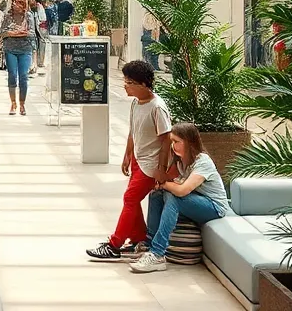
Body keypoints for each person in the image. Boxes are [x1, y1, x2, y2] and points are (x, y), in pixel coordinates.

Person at [87, 60, 173, 262]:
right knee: (131, 200)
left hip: (150, 165)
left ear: (143, 84)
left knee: (130, 199)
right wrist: (127, 155)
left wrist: (162, 169)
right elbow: (133, 132)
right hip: (137, 160)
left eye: (130, 82)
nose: (125, 86)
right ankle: (139, 240)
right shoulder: (136, 103)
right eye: (125, 81)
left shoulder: (157, 107)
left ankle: (114, 244)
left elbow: (166, 139)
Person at [130, 123, 230, 273]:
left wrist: (164, 184)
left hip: (214, 207)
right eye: (172, 141)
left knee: (174, 198)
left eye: (177, 141)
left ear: (189, 142)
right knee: (156, 195)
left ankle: (157, 254)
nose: (173, 145)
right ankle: (149, 243)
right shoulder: (182, 162)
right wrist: (163, 185)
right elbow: (174, 183)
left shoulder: (203, 161)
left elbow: (183, 190)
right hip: (197, 200)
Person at [0, 0, 35, 116]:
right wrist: (12, 33)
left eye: (18, 3)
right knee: (12, 75)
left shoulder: (28, 16)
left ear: (23, 5)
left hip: (25, 49)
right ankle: (13, 102)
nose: (15, 5)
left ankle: (22, 103)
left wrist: (19, 33)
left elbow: (32, 33)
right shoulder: (8, 16)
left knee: (23, 76)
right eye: (14, 2)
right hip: (10, 49)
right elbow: (2, 32)